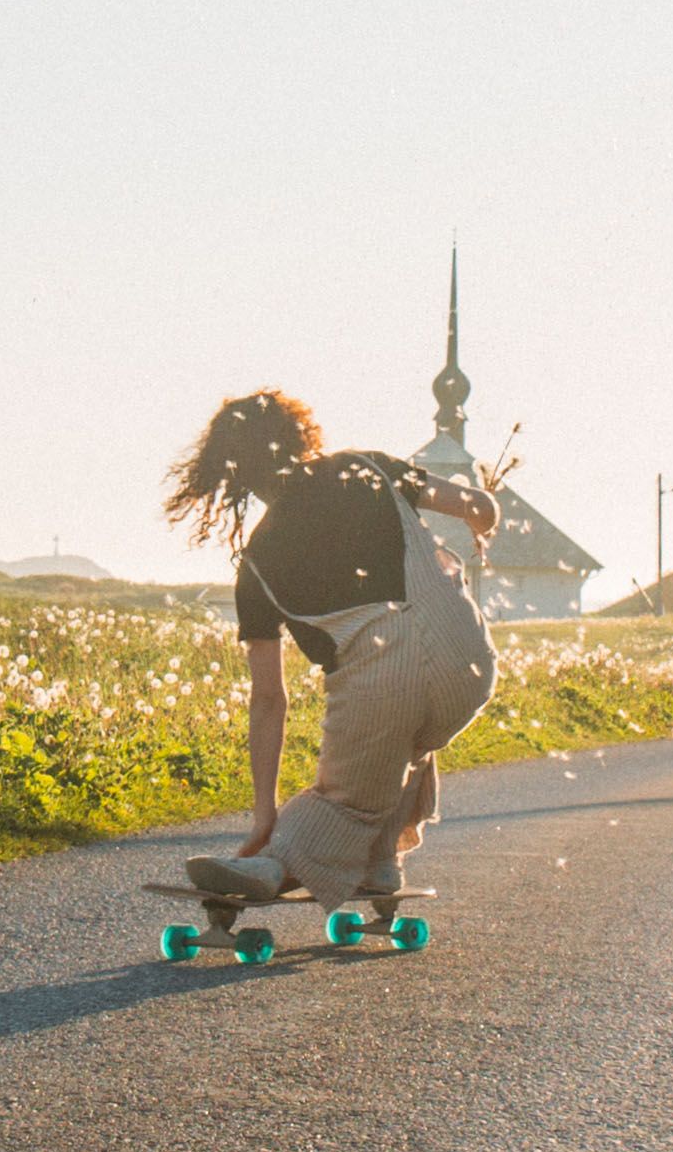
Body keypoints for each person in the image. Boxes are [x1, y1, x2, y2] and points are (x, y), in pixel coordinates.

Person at [160, 387, 500, 904]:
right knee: (404, 744)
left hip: (382, 678)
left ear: (234, 476)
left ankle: (275, 863)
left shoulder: (257, 562)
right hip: (469, 662)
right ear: (300, 435)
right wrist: (483, 526)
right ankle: (382, 863)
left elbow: (269, 700)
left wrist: (264, 817)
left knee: (342, 796)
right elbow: (479, 505)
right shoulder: (368, 468)